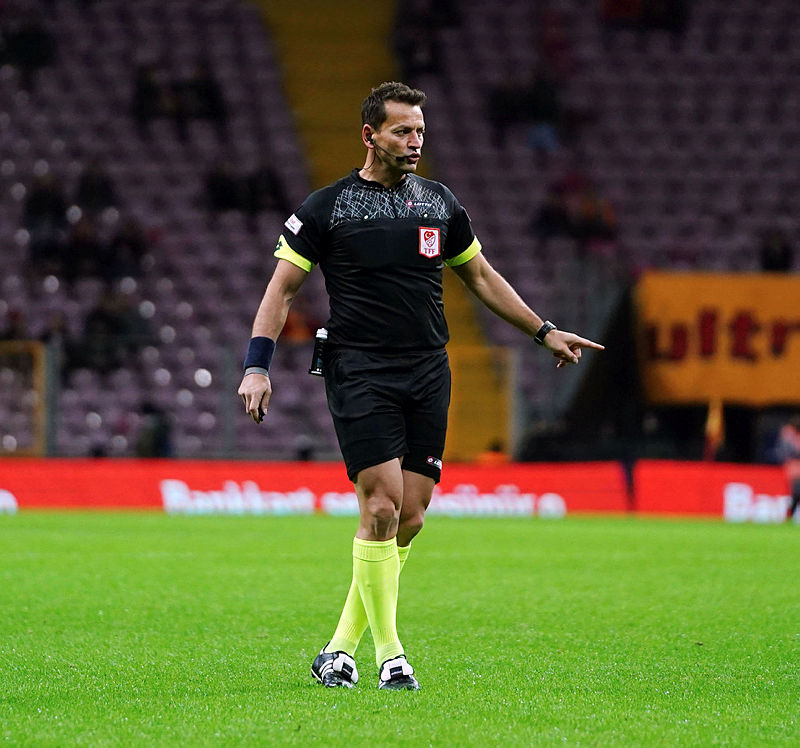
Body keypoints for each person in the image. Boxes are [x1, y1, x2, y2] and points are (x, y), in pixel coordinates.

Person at [236, 82, 603, 691]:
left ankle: (337, 651)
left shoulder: (438, 203)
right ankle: (392, 657)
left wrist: (544, 332)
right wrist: (257, 365)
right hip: (359, 367)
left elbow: (480, 277)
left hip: (428, 367)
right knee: (377, 505)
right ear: (369, 135)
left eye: (420, 132)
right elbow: (282, 290)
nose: (415, 142)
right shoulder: (326, 207)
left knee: (409, 517)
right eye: (403, 131)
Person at [777, 415, 800, 521]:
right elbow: (783, 455)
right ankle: (792, 514)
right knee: (796, 491)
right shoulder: (788, 440)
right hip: (794, 471)